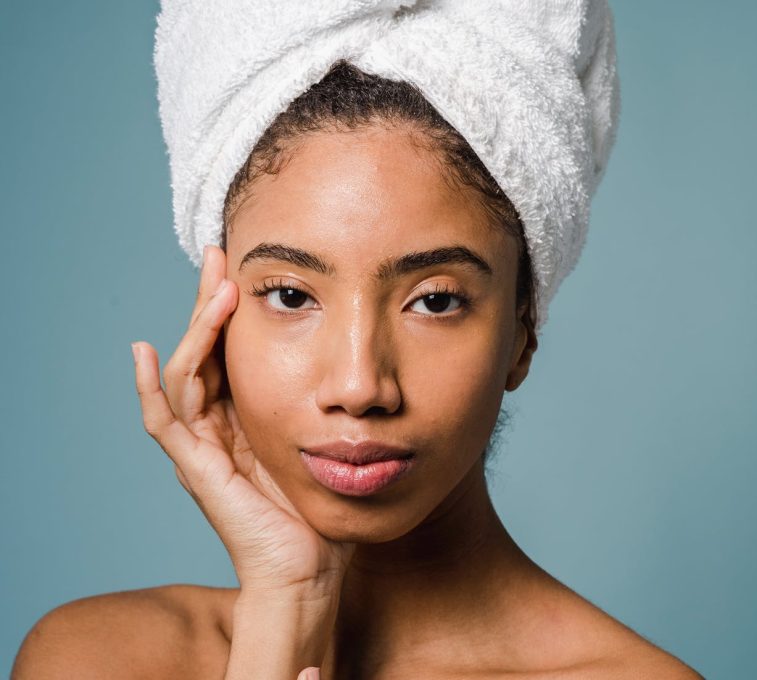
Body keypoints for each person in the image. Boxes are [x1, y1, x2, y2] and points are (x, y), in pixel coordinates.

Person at [13, 2, 702, 679]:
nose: (359, 385)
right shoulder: (96, 659)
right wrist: (285, 606)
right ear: (216, 318)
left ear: (523, 333)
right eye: (290, 296)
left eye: (434, 301)